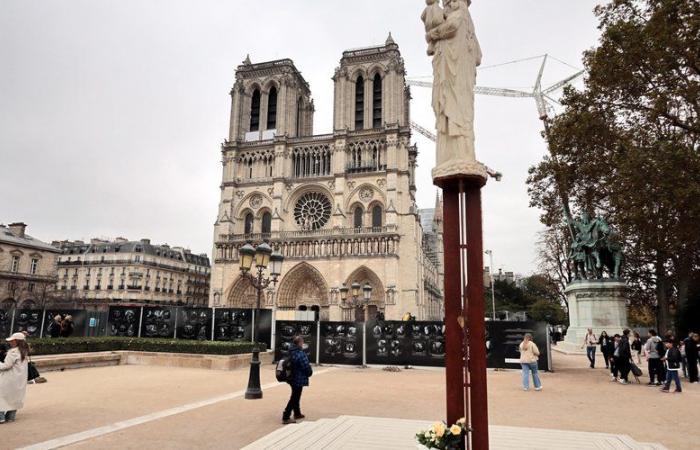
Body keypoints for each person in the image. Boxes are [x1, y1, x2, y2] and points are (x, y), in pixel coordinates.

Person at [282, 335, 313, 424]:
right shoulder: (300, 353)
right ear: (299, 343)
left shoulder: (291, 351)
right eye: (302, 342)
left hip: (291, 377)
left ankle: (297, 413)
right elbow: (305, 366)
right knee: (295, 397)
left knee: (296, 395)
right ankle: (286, 416)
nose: (303, 343)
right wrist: (309, 372)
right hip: (298, 378)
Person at [0, 333, 29, 424]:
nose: (10, 342)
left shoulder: (13, 352)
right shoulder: (24, 351)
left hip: (9, 378)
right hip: (19, 379)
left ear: (17, 341)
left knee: (1, 397)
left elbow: (6, 366)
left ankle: (1, 418)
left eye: (12, 340)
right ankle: (11, 417)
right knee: (14, 398)